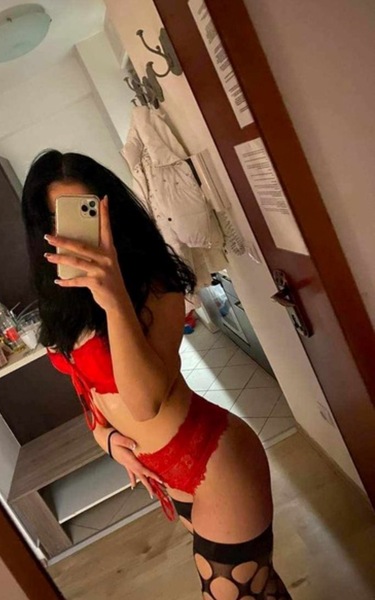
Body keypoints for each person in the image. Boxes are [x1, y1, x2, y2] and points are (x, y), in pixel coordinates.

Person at [21, 151, 292, 600]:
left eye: (88, 211)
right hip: (167, 474)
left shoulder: (154, 287)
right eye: (59, 218)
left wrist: (114, 299)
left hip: (213, 462)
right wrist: (108, 440)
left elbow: (145, 403)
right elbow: (88, 395)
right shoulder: (65, 305)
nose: (77, 231)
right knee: (260, 589)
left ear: (112, 214)